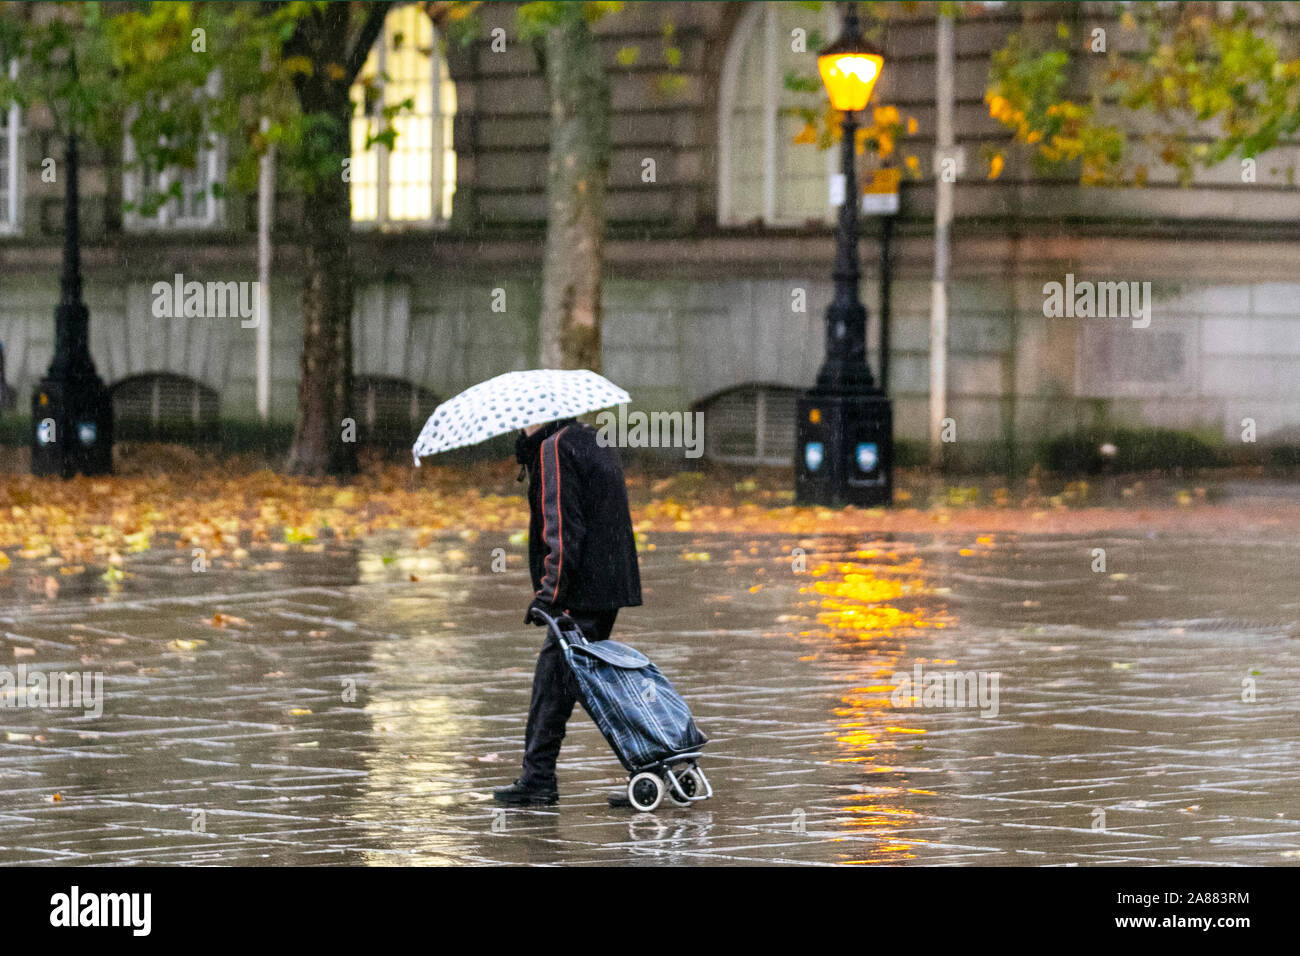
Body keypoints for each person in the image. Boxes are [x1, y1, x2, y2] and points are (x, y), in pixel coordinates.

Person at [493, 416, 642, 807]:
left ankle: (542, 778)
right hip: (606, 585)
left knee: (566, 685)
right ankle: (541, 776)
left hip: (581, 591)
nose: (519, 425)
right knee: (569, 685)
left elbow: (563, 529)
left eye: (523, 417)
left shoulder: (556, 447)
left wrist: (549, 596)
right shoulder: (589, 438)